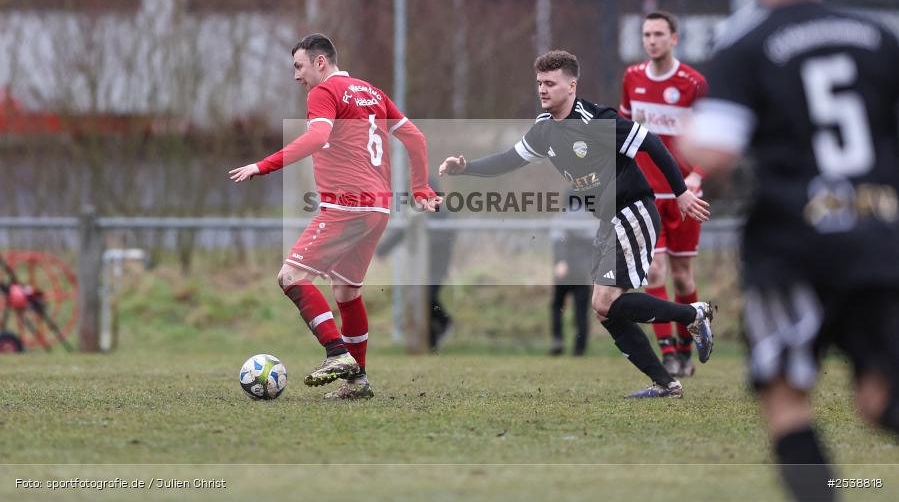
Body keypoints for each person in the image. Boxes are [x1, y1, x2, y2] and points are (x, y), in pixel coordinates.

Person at [681, 0, 899, 500]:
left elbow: (716, 151)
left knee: (786, 399)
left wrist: (686, 142)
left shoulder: (747, 45)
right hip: (879, 238)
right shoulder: (880, 40)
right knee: (880, 398)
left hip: (792, 244)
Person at [440, 49, 714, 399]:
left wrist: (680, 194)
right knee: (606, 310)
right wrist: (467, 168)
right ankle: (667, 380)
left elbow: (653, 143)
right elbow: (509, 160)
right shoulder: (544, 130)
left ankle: (692, 315)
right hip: (609, 220)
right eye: (539, 83)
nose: (542, 89)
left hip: (632, 210)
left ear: (571, 86)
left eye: (550, 83)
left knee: (604, 302)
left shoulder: (595, 120)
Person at [230, 33, 440, 400]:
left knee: (290, 276)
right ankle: (357, 383)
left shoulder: (324, 92)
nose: (296, 76)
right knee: (346, 291)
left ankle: (337, 354)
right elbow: (415, 138)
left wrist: (262, 166)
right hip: (377, 208)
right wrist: (420, 187)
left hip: (347, 205)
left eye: (299, 66)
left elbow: (316, 139)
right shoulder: (372, 93)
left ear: (320, 62)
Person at [620, 11, 709, 378]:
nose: (651, 40)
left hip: (684, 195)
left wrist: (696, 175)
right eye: (646, 34)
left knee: (683, 276)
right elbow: (624, 133)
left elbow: (709, 136)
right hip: (645, 194)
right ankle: (668, 353)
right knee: (653, 271)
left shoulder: (693, 83)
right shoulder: (633, 78)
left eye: (659, 34)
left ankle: (687, 350)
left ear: (674, 38)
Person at [376, 176, 456, 351]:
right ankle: (433, 341)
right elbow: (402, 231)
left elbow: (442, 240)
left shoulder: (442, 215)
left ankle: (444, 322)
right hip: (419, 268)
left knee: (427, 298)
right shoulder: (416, 214)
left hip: (436, 268)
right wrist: (382, 251)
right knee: (420, 301)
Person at [548, 189, 593, 357]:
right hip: (583, 271)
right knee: (581, 310)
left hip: (564, 270)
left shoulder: (561, 219)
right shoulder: (589, 220)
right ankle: (579, 348)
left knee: (556, 306)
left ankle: (557, 339)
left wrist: (560, 261)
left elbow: (558, 242)